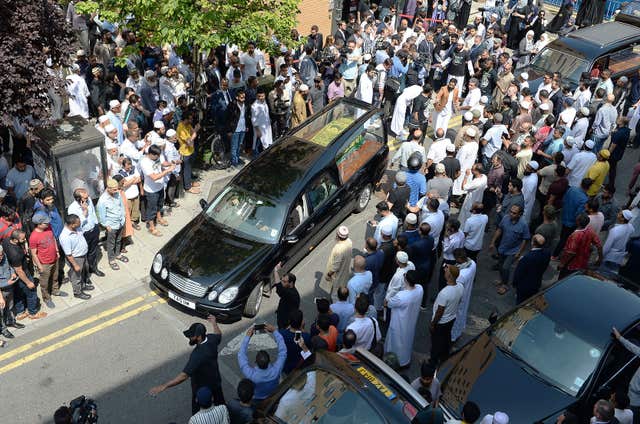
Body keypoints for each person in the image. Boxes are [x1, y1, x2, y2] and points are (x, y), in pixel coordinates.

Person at [150, 315, 225, 414]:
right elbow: (218, 334)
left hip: (201, 388)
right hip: (216, 382)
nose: (190, 337)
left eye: (191, 336)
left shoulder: (197, 355)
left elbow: (183, 376)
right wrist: (214, 323)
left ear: (198, 337)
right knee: (221, 406)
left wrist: (164, 386)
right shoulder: (212, 339)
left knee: (197, 412)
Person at [237, 322, 286, 402]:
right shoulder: (276, 370)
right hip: (274, 394)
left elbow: (241, 355)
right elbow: (283, 351)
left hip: (257, 399)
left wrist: (247, 337)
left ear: (256, 362)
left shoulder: (251, 375)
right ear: (269, 360)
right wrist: (274, 331)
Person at [384, 270, 423, 368]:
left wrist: (386, 299)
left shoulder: (401, 296)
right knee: (406, 343)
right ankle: (404, 361)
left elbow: (388, 303)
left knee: (395, 344)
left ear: (406, 280)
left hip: (399, 324)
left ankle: (393, 363)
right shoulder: (419, 289)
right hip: (411, 321)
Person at [491, 204, 530, 295]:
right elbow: (500, 230)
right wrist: (493, 241)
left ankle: (505, 285)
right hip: (502, 248)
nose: (511, 214)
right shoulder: (505, 218)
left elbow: (525, 239)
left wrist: (519, 252)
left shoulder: (523, 224)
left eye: (514, 213)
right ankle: (502, 280)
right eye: (510, 212)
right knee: (501, 266)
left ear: (519, 214)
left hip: (513, 251)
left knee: (505, 267)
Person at [430, 264, 463, 366]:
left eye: (446, 271)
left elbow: (440, 311)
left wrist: (433, 323)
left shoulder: (445, 293)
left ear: (449, 276)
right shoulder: (460, 286)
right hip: (451, 318)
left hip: (442, 321)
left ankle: (433, 362)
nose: (444, 272)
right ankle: (444, 356)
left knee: (436, 342)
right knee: (446, 338)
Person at [67, 184, 104, 277]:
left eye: (87, 197)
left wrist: (96, 224)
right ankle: (86, 275)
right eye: (84, 198)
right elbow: (76, 224)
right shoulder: (72, 209)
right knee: (84, 255)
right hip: (83, 234)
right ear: (78, 199)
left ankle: (93, 268)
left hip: (93, 229)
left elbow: (93, 213)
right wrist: (84, 212)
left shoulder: (89, 200)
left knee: (93, 251)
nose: (87, 199)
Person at [140, 145, 175, 236]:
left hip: (160, 187)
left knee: (160, 205)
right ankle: (151, 227)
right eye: (157, 156)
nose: (158, 158)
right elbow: (154, 177)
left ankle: (159, 218)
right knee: (151, 209)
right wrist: (167, 171)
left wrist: (171, 163)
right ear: (151, 154)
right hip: (151, 190)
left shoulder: (157, 157)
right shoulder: (144, 162)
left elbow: (163, 163)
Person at [558, 213, 603, 280]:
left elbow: (570, 252)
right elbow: (599, 245)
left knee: (563, 281)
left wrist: (562, 263)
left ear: (578, 222)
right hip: (583, 264)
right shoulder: (590, 231)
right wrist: (600, 258)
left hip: (571, 265)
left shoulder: (575, 236)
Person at [29, 212, 59, 309]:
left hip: (55, 258)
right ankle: (46, 298)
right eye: (45, 223)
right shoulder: (33, 237)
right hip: (44, 263)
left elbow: (53, 238)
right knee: (44, 283)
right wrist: (39, 266)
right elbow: (33, 253)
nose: (48, 224)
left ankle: (55, 290)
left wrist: (57, 251)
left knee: (55, 277)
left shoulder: (48, 227)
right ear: (39, 224)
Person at [58, 215, 91, 300]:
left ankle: (82, 286)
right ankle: (77, 292)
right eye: (78, 223)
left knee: (83, 272)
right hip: (76, 258)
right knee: (76, 276)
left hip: (83, 255)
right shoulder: (65, 237)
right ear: (72, 225)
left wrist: (85, 212)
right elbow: (68, 254)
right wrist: (75, 265)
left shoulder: (76, 228)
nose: (80, 224)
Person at [97, 179, 127, 271]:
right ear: (108, 188)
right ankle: (111, 260)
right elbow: (101, 215)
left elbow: (121, 206)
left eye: (116, 189)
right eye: (114, 190)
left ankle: (117, 254)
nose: (116, 191)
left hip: (120, 222)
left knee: (118, 240)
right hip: (111, 225)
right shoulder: (102, 200)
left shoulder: (117, 194)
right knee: (111, 244)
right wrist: (106, 225)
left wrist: (123, 218)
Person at [612, 326, 640, 421]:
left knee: (626, 418)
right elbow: (632, 347)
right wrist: (619, 337)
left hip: (635, 401)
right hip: (629, 391)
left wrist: (635, 389)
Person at [513, 234, 551, 304]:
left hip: (524, 286)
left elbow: (518, 273)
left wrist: (515, 283)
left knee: (520, 303)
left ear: (532, 243)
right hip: (536, 283)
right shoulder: (547, 253)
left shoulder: (527, 258)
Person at [0, 244, 23, 340]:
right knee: (0, 313)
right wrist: (7, 282)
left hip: (9, 289)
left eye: (1, 255)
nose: (1, 257)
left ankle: (11, 321)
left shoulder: (4, 256)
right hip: (1, 292)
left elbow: (9, 266)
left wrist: (13, 272)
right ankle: (3, 329)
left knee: (10, 306)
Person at [279, 309, 311, 375]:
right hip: (298, 365)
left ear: (289, 322)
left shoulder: (281, 333)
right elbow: (308, 353)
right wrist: (302, 329)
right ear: (301, 322)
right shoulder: (306, 337)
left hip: (286, 364)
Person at [177, 111, 202, 194]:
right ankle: (188, 187)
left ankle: (190, 182)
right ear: (185, 119)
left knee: (189, 168)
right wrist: (195, 132)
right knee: (186, 170)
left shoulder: (188, 125)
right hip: (185, 152)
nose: (191, 121)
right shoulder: (181, 128)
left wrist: (194, 131)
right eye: (190, 119)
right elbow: (189, 141)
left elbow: (192, 132)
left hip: (190, 150)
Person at [324, 226, 353, 294]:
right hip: (345, 270)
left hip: (338, 276)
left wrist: (328, 274)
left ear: (337, 235)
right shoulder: (349, 241)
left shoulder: (339, 249)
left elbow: (335, 267)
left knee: (335, 294)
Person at [226, 89, 250, 168]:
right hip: (235, 129)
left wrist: (246, 126)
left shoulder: (245, 105)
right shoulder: (232, 106)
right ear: (237, 97)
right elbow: (228, 119)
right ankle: (234, 162)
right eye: (241, 97)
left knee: (240, 145)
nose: (243, 99)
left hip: (242, 128)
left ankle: (237, 158)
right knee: (234, 146)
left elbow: (246, 117)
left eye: (244, 97)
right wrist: (229, 130)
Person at [272, 263, 300, 329]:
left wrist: (275, 271)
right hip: (283, 314)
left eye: (284, 281)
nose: (282, 282)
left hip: (285, 322)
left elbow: (279, 287)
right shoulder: (289, 290)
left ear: (291, 283)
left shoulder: (291, 294)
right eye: (282, 280)